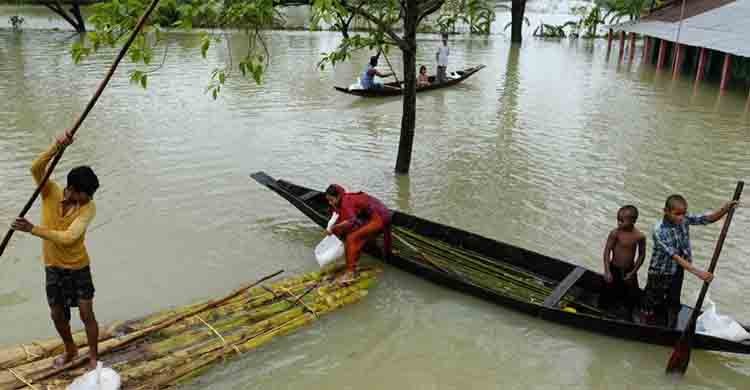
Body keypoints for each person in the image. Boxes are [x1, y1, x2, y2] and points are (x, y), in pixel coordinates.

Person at [10, 130, 100, 370]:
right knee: (57, 314)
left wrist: (33, 229)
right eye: (84, 193)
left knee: (85, 313)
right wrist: (56, 147)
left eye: (90, 195)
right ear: (71, 189)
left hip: (78, 266)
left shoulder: (88, 208)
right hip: (53, 266)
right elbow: (36, 168)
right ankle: (71, 349)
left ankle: (92, 357)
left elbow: (69, 239)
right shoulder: (50, 191)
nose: (88, 198)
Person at [641, 194, 739, 327]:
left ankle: (671, 326)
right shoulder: (659, 231)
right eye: (677, 214)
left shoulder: (684, 219)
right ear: (666, 211)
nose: (681, 217)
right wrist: (700, 273)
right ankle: (645, 323)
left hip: (678, 269)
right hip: (660, 271)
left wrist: (725, 209)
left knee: (674, 301)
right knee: (651, 301)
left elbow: (707, 219)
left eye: (683, 214)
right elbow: (676, 257)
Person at [325, 184, 392, 283]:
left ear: (338, 196)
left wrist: (334, 228)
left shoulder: (346, 202)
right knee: (354, 236)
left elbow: (351, 221)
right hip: (372, 215)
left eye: (331, 200)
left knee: (351, 238)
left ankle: (350, 273)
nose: (330, 203)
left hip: (380, 216)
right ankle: (353, 263)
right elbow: (341, 217)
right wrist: (332, 227)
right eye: (328, 200)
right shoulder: (343, 199)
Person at [600, 205, 646, 317]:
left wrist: (633, 272)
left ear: (633, 221)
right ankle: (603, 312)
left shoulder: (639, 236)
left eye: (622, 221)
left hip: (629, 270)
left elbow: (641, 256)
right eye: (618, 220)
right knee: (607, 294)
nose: (619, 223)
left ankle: (627, 314)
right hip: (614, 268)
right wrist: (607, 271)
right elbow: (607, 252)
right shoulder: (615, 233)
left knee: (631, 296)